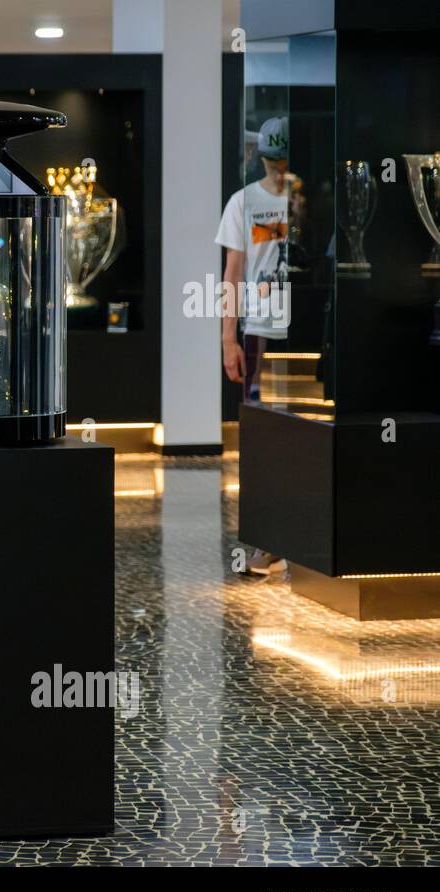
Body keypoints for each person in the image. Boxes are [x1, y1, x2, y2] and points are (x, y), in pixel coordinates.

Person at [217, 115, 290, 576]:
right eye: (274, 162)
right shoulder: (244, 202)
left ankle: (303, 536)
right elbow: (232, 274)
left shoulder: (305, 197)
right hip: (260, 327)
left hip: (299, 330)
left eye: (284, 162)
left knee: (308, 433)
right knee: (263, 438)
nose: (280, 171)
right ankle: (268, 540)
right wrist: (227, 337)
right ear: (263, 159)